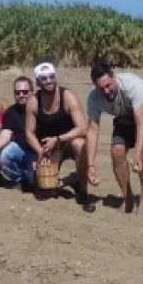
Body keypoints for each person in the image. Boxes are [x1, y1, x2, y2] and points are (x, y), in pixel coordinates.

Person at [85, 62, 143, 215]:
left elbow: (141, 123)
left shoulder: (132, 85)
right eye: (101, 88)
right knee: (117, 150)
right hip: (125, 116)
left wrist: (137, 155)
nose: (106, 91)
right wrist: (90, 166)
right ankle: (128, 197)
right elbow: (92, 131)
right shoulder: (94, 98)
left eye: (108, 85)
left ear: (114, 76)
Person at [24, 62, 94, 212]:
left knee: (80, 144)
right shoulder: (33, 101)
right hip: (48, 146)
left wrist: (59, 138)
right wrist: (40, 152)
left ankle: (82, 190)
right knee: (47, 191)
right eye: (43, 78)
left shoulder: (67, 96)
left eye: (51, 77)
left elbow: (82, 128)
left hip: (67, 140)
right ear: (37, 81)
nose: (48, 81)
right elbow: (29, 132)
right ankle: (71, 179)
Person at [0, 76, 37, 188]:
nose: (21, 95)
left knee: (36, 183)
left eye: (25, 92)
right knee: (4, 154)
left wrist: (40, 156)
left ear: (32, 92)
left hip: (39, 152)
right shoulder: (11, 112)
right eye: (17, 92)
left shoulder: (41, 109)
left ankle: (29, 177)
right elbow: (6, 133)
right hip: (21, 150)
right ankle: (19, 179)